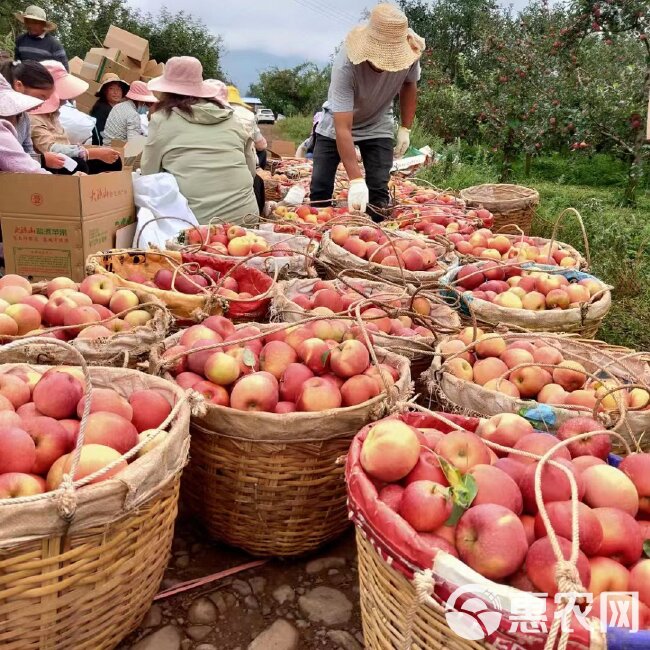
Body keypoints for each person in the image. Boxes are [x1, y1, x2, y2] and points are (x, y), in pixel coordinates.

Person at [310, 3, 424, 221]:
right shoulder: (347, 64)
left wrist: (405, 128)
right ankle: (319, 234)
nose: (384, 66)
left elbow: (410, 85)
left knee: (378, 192)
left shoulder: (410, 52)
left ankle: (376, 238)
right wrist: (354, 180)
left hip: (378, 121)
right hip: (337, 125)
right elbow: (343, 128)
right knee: (320, 188)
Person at [141, 57, 259, 225]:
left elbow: (149, 174)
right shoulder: (232, 118)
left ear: (166, 91)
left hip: (195, 225)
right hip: (246, 218)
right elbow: (251, 170)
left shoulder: (162, 120)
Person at [29, 61, 121, 174]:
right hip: (51, 164)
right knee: (77, 164)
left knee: (113, 162)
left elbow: (65, 144)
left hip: (67, 156)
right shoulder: (33, 117)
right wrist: (90, 153)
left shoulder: (53, 114)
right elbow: (49, 149)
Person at [0, 59, 66, 170]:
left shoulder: (24, 118)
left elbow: (26, 153)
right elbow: (19, 164)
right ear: (19, 86)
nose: (41, 104)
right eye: (41, 97)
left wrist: (41, 159)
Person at [0, 74, 49, 174]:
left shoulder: (25, 118)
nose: (42, 102)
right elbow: (28, 169)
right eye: (42, 96)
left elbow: (28, 151)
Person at [102, 80, 158, 145]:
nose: (147, 108)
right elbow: (133, 143)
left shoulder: (118, 106)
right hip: (116, 150)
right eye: (148, 104)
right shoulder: (133, 115)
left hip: (106, 146)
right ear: (142, 102)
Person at [13, 5, 68, 70]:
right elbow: (16, 63)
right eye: (28, 21)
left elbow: (64, 70)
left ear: (43, 24)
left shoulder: (54, 45)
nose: (30, 25)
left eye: (35, 22)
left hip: (45, 79)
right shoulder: (20, 40)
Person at [226, 85, 268, 169]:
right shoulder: (248, 115)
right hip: (242, 163)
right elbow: (261, 145)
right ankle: (258, 175)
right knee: (262, 152)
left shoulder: (209, 114)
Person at [90, 73, 129, 145]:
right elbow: (99, 134)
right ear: (105, 91)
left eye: (118, 89)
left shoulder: (116, 109)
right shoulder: (101, 108)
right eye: (111, 88)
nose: (116, 92)